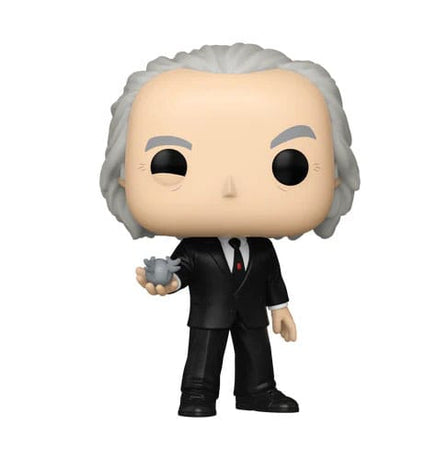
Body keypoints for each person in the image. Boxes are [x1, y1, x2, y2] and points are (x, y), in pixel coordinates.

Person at [100, 43, 360, 417]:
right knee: (204, 354)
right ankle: (197, 394)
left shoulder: (262, 250)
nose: (229, 188)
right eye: (170, 163)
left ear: (335, 175)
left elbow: (271, 278)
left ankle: (258, 391)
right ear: (123, 175)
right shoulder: (196, 249)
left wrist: (280, 309)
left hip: (252, 314)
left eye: (290, 165)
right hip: (210, 314)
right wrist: (169, 282)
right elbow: (182, 271)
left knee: (257, 351)